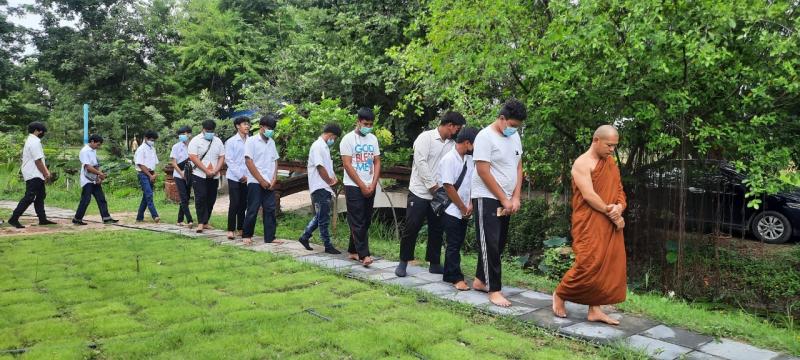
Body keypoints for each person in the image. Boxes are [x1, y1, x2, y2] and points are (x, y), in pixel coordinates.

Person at [552, 125, 627, 325]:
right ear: (596, 140)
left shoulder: (610, 163)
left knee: (605, 265)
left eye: (615, 146)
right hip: (589, 222)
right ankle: (561, 293)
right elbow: (589, 195)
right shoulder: (582, 163)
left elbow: (619, 188)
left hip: (609, 220)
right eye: (609, 145)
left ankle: (595, 309)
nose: (612, 150)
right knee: (588, 263)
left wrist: (619, 206)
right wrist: (611, 212)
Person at [395, 111, 465, 277]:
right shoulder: (425, 138)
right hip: (419, 191)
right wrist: (432, 185)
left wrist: (441, 189)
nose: (457, 131)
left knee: (437, 229)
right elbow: (420, 163)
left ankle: (434, 263)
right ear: (450, 125)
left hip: (439, 194)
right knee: (412, 227)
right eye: (457, 128)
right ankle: (403, 262)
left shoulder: (452, 144)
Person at [471, 99, 526, 307]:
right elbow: (483, 171)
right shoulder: (485, 137)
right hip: (487, 196)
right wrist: (503, 197)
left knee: (499, 242)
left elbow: (518, 167)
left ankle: (480, 280)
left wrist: (516, 196)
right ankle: (494, 290)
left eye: (517, 127)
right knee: (489, 243)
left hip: (507, 198)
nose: (514, 130)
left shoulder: (515, 138)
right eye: (512, 125)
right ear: (502, 119)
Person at [340, 108, 381, 266]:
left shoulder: (373, 139)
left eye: (371, 124)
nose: (368, 127)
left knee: (366, 219)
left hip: (370, 184)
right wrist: (361, 185)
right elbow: (347, 165)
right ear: (358, 122)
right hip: (353, 185)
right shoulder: (348, 139)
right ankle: (364, 255)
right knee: (357, 220)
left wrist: (373, 182)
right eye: (366, 124)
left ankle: (353, 250)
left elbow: (377, 161)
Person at [440, 127, 478, 290]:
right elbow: (448, 187)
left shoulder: (470, 160)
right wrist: (462, 207)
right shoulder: (449, 159)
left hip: (465, 208)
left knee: (457, 242)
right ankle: (456, 277)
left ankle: (449, 273)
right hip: (452, 209)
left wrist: (470, 204)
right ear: (468, 142)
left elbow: (472, 183)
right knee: (454, 243)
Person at [299, 123, 343, 254]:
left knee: (321, 215)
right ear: (331, 135)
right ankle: (327, 245)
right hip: (320, 186)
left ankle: (305, 236)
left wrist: (333, 180)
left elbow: (327, 167)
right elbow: (320, 167)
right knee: (324, 218)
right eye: (334, 138)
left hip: (324, 187)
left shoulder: (323, 147)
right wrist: (330, 181)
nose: (333, 141)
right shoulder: (318, 146)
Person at [7, 122, 56, 228]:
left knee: (40, 196)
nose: (43, 133)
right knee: (29, 197)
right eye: (42, 131)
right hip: (34, 173)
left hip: (35, 173)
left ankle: (42, 219)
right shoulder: (34, 142)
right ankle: (13, 218)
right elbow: (38, 161)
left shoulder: (31, 140)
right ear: (37, 131)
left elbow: (39, 160)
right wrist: (47, 173)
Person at [242, 114, 280, 245]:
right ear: (261, 127)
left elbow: (275, 161)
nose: (270, 130)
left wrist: (274, 178)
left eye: (272, 128)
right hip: (255, 181)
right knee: (253, 209)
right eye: (268, 128)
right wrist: (261, 180)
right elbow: (249, 161)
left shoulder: (272, 142)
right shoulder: (251, 141)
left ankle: (270, 237)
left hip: (269, 182)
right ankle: (247, 235)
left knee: (270, 209)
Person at [188, 120, 225, 233]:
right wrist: (205, 170)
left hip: (214, 174)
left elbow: (222, 157)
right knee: (200, 197)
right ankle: (200, 223)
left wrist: (216, 170)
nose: (210, 133)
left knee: (211, 198)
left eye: (212, 131)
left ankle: (206, 221)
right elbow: (193, 157)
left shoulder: (218, 141)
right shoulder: (195, 141)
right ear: (203, 129)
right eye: (207, 131)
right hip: (199, 174)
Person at [72, 135, 118, 225]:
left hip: (94, 179)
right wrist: (100, 174)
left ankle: (106, 218)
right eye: (98, 144)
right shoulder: (84, 151)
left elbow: (96, 165)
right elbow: (88, 167)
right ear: (92, 141)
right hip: (87, 180)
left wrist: (99, 177)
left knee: (101, 198)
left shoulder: (93, 150)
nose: (98, 146)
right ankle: (77, 219)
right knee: (86, 200)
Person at [225, 116, 250, 240]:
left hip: (248, 177)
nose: (247, 126)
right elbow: (229, 160)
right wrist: (240, 176)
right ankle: (230, 229)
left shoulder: (251, 140)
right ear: (237, 126)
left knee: (243, 204)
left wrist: (247, 176)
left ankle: (241, 228)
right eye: (244, 124)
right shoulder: (231, 141)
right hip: (234, 177)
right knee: (234, 203)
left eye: (248, 124)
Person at [170, 126, 194, 227]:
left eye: (184, 134)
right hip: (178, 175)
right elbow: (174, 163)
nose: (183, 136)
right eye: (181, 135)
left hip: (189, 175)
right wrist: (181, 174)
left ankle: (179, 220)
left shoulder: (193, 146)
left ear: (189, 134)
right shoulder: (176, 147)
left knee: (187, 197)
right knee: (183, 197)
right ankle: (190, 220)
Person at [134, 130, 160, 223]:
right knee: (149, 194)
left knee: (146, 196)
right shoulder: (141, 149)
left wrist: (154, 174)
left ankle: (139, 217)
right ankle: (155, 215)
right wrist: (150, 175)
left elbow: (154, 163)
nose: (152, 142)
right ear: (146, 138)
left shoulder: (152, 148)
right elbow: (140, 164)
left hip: (151, 173)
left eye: (154, 140)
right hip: (143, 174)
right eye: (151, 140)